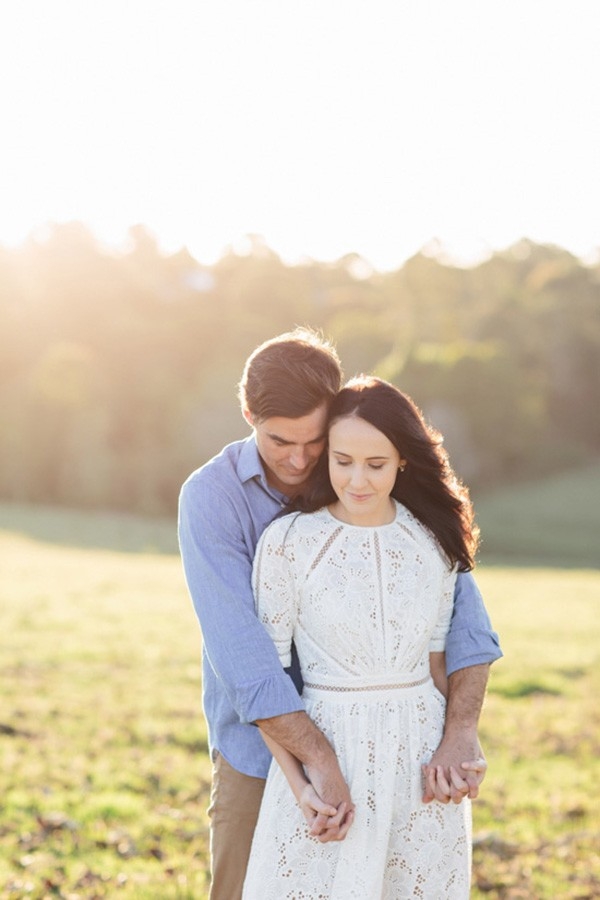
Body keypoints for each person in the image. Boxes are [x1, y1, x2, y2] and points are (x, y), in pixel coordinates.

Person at [178, 328, 502, 900]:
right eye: (280, 441)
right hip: (260, 748)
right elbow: (245, 657)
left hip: (396, 749)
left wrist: (461, 731)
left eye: (315, 441)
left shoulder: (394, 501)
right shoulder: (214, 497)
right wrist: (317, 764)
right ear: (248, 414)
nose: (302, 459)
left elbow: (465, 626)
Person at [243, 375, 481, 898]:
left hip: (418, 762)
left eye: (376, 465)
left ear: (403, 461)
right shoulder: (289, 542)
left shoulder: (433, 541)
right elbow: (268, 682)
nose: (357, 480)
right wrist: (301, 785)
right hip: (329, 752)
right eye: (342, 460)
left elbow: (437, 667)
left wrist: (461, 750)